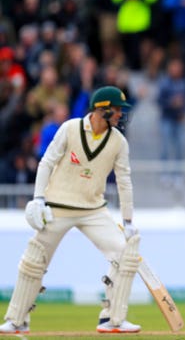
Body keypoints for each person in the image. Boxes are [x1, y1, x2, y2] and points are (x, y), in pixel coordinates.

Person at [0, 86, 141, 334]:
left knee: (124, 254)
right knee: (34, 259)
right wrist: (39, 199)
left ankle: (113, 319)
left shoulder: (119, 142)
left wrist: (127, 220)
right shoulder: (70, 129)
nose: (120, 114)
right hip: (58, 205)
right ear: (102, 109)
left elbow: (124, 180)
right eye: (117, 109)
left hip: (93, 209)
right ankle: (17, 319)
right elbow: (47, 162)